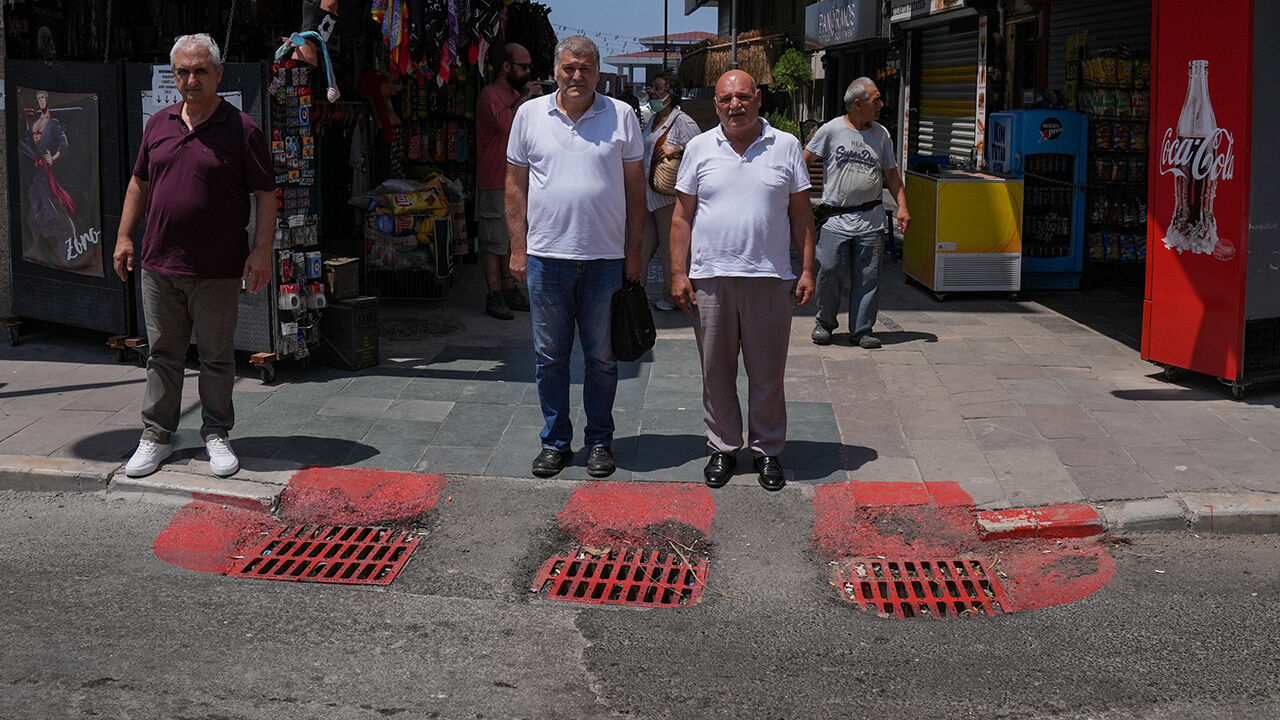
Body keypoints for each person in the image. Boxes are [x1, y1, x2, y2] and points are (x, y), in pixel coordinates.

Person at [113, 34, 276, 479]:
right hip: (160, 263)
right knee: (162, 355)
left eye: (200, 71)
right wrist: (125, 236)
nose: (190, 79)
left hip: (218, 268)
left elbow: (265, 194)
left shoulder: (242, 129)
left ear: (219, 74)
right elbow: (139, 184)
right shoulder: (159, 123)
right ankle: (156, 437)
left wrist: (261, 252)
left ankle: (216, 434)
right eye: (182, 72)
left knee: (217, 357)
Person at [669, 70, 816, 492]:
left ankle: (767, 450)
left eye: (742, 97)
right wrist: (679, 273)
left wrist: (807, 268)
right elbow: (682, 216)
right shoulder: (699, 147)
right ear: (715, 105)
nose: (735, 106)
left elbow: (801, 215)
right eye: (725, 99)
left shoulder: (785, 146)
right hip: (710, 278)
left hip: (769, 278)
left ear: (758, 99)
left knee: (767, 372)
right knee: (716, 370)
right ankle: (723, 446)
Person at [506, 35, 645, 479]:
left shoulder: (622, 115)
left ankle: (600, 440)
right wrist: (517, 246)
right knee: (550, 357)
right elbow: (514, 186)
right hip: (547, 258)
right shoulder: (529, 115)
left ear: (598, 72)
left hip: (605, 258)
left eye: (585, 69)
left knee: (603, 358)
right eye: (569, 68)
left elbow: (636, 190)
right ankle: (556, 442)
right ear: (556, 70)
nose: (577, 76)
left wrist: (634, 251)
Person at [804, 77, 909, 350]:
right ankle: (824, 323)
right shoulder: (831, 130)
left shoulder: (881, 134)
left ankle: (862, 329)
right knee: (828, 272)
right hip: (835, 220)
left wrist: (903, 206)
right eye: (877, 100)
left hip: (871, 219)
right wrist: (797, 199)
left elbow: (891, 174)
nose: (882, 105)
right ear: (858, 104)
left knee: (868, 277)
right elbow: (803, 161)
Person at [475, 42, 539, 320]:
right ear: (506, 66)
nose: (527, 71)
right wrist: (523, 99)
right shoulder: (490, 95)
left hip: (518, 180)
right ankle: (494, 293)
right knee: (493, 240)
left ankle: (510, 288)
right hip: (494, 178)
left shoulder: (515, 94)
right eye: (523, 66)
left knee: (513, 238)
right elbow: (504, 124)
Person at [640, 70, 700, 312]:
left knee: (671, 250)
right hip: (647, 196)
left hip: (668, 198)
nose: (652, 92)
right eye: (652, 87)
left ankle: (674, 296)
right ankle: (634, 292)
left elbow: (700, 154)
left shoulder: (683, 122)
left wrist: (678, 149)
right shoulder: (652, 119)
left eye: (658, 88)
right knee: (638, 248)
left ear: (671, 94)